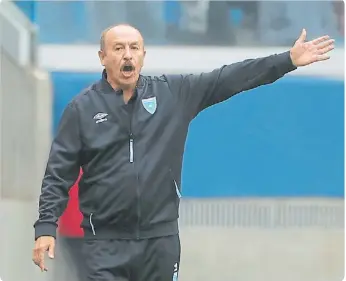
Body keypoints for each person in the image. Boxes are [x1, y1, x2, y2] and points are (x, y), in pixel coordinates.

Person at [32, 24, 334, 281]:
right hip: (104, 244)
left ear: (143, 55)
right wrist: (46, 226)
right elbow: (59, 172)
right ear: (103, 57)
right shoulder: (82, 109)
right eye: (119, 48)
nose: (127, 54)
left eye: (134, 47)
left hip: (160, 242)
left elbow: (230, 78)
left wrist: (287, 60)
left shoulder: (172, 94)